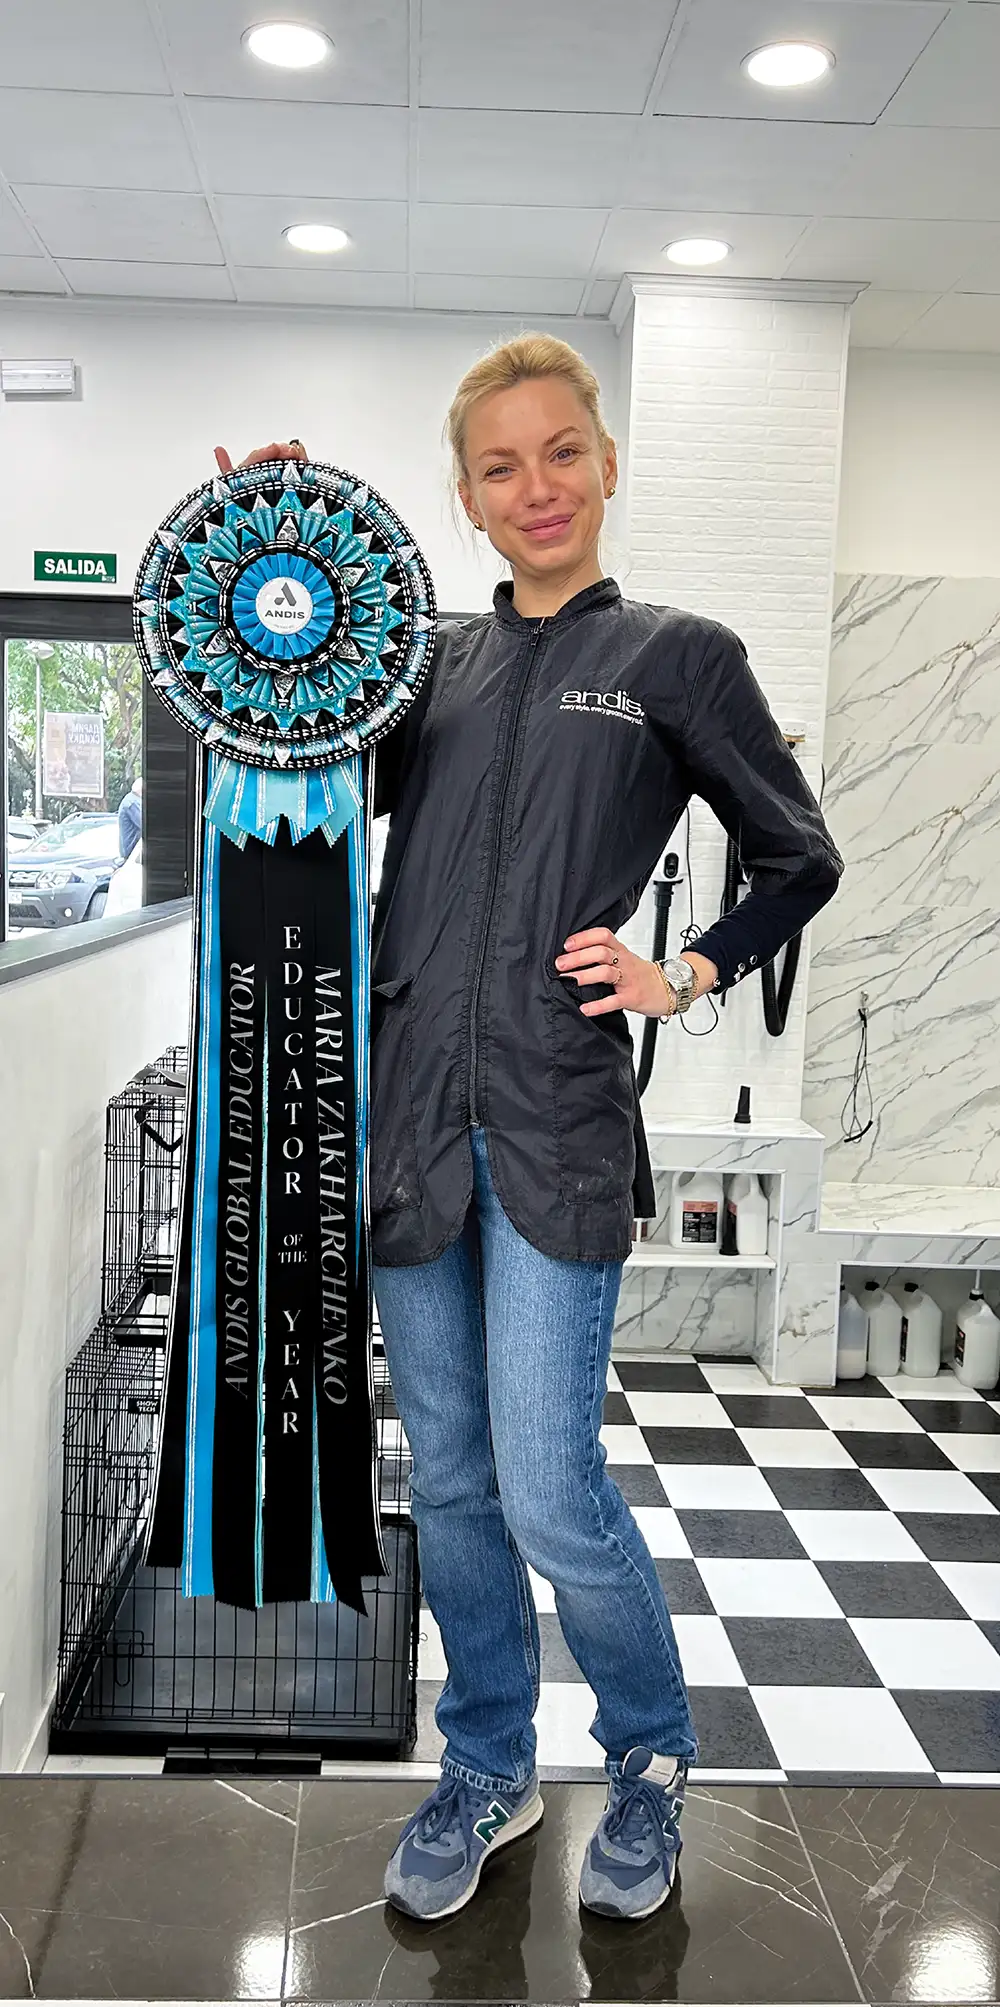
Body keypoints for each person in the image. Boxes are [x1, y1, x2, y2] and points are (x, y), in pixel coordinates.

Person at [215, 337, 843, 1925]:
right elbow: (297, 762)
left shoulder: (677, 656)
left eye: (562, 451)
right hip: (407, 1119)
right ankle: (489, 1759)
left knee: (557, 1486)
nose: (537, 486)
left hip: (556, 1128)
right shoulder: (428, 657)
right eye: (501, 466)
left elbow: (797, 854)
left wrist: (678, 969)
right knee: (463, 1483)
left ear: (608, 462)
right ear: (467, 496)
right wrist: (269, 568)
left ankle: (646, 1757)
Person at [118, 774, 142, 860]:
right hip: (131, 856)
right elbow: (145, 825)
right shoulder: (132, 803)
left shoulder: (132, 800)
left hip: (132, 855)